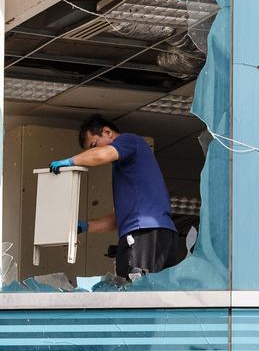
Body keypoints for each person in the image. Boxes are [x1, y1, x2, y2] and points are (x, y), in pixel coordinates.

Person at [49, 114, 178, 279]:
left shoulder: (129, 140)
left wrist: (70, 161)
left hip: (143, 233)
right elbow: (118, 220)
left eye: (94, 145)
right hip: (158, 235)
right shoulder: (128, 168)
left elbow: (100, 155)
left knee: (134, 292)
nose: (94, 151)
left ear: (107, 132)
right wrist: (84, 226)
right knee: (154, 296)